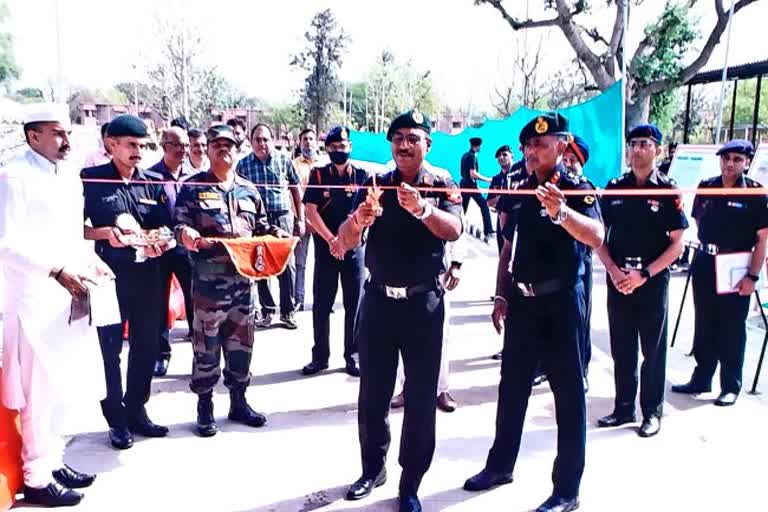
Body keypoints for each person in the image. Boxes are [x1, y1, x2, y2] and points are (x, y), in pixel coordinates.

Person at [463, 112, 603, 512]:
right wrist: (500, 295)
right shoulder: (521, 189)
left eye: (541, 146)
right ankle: (500, 464)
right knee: (512, 388)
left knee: (568, 395)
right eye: (528, 146)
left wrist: (563, 213)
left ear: (561, 146)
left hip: (561, 303)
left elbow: (596, 236)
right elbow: (509, 245)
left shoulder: (577, 189)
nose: (531, 153)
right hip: (522, 303)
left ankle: (566, 489)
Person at [338, 110, 463, 512]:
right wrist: (360, 218)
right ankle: (372, 468)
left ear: (428, 144)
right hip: (377, 302)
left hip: (423, 304)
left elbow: (455, 229)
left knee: (422, 397)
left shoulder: (441, 183)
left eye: (413, 138)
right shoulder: (375, 184)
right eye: (397, 138)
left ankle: (411, 482)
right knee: (373, 392)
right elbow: (344, 239)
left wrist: (424, 210)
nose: (404, 145)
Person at [0, 103, 108, 507]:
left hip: (69, 297)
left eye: (67, 133)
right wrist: (55, 268)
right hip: (34, 301)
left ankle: (54, 459)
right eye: (58, 133)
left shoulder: (67, 177)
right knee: (39, 393)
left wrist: (90, 262)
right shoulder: (14, 176)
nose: (66, 141)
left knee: (63, 389)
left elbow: (70, 234)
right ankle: (36, 477)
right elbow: (5, 243)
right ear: (33, 136)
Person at [174, 124, 288, 437]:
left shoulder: (249, 190)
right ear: (207, 149)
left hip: (244, 284)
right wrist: (187, 234)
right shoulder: (193, 187)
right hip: (209, 287)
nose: (224, 149)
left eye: (229, 144)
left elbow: (262, 226)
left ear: (238, 150)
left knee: (242, 347)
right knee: (206, 347)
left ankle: (239, 402)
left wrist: (278, 235)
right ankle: (205, 406)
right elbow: (179, 226)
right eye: (217, 144)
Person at [82, 114, 174, 450]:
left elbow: (167, 226)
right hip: (109, 277)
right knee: (109, 349)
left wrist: (162, 240)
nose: (138, 151)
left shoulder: (151, 181)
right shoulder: (91, 180)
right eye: (131, 145)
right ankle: (115, 417)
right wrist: (103, 234)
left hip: (148, 275)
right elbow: (74, 228)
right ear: (111, 145)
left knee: (146, 345)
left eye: (142, 145)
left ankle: (136, 408)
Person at [595, 125, 688, 438]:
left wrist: (644, 274)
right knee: (622, 348)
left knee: (653, 350)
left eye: (644, 144)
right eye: (633, 144)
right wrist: (612, 270)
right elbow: (598, 236)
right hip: (619, 279)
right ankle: (623, 408)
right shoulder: (615, 187)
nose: (637, 150)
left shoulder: (667, 191)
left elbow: (678, 244)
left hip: (651, 281)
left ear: (657, 150)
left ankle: (651, 412)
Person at [672, 139, 768, 406]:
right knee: (704, 323)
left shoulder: (756, 193)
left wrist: (753, 276)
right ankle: (702, 378)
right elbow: (698, 219)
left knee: (732, 327)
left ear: (747, 162)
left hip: (736, 265)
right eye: (726, 158)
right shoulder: (707, 186)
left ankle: (730, 385)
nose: (730, 164)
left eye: (737, 159)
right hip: (705, 260)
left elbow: (762, 239)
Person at [301, 126, 366, 377]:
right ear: (328, 149)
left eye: (345, 146)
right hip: (326, 250)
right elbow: (310, 210)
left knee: (355, 305)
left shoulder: (361, 176)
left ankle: (353, 356)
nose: (341, 151)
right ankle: (320, 357)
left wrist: (345, 241)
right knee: (322, 305)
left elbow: (367, 210)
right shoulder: (318, 175)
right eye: (336, 147)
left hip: (353, 251)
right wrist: (332, 240)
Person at [237, 123, 306, 329]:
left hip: (283, 217)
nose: (262, 144)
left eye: (266, 139)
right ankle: (267, 311)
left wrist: (300, 218)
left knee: (288, 264)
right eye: (257, 139)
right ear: (251, 142)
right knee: (260, 264)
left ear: (272, 140)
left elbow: (295, 188)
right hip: (257, 220)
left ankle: (288, 311)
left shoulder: (283, 159)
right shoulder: (243, 165)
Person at [390, 230, 466, 413]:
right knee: (401, 337)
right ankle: (406, 388)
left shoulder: (446, 199)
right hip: (401, 274)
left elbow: (458, 227)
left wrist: (456, 264)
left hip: (436, 273)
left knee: (441, 338)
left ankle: (441, 390)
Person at [148, 127, 196, 377]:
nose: (183, 150)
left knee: (195, 301)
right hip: (161, 249)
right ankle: (161, 355)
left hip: (189, 250)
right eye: (177, 145)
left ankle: (201, 355)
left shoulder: (195, 176)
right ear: (164, 145)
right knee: (159, 303)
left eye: (186, 145)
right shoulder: (150, 176)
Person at [563, 135, 594, 391]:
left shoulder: (585, 190)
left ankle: (581, 370)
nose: (569, 164)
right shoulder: (554, 185)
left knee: (580, 321)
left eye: (574, 160)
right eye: (566, 159)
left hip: (580, 261)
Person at [292, 127, 325, 311]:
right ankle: (299, 299)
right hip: (302, 220)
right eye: (305, 139)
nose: (308, 142)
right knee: (300, 262)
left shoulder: (324, 164)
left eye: (311, 139)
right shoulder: (294, 165)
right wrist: (301, 218)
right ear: (299, 142)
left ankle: (322, 300)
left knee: (323, 263)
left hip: (322, 221)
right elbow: (295, 194)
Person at [460, 136, 494, 242]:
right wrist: (488, 180)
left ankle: (457, 226)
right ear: (478, 146)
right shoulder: (472, 156)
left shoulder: (464, 155)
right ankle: (488, 230)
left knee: (463, 208)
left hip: (464, 183)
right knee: (484, 205)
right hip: (470, 185)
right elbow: (473, 174)